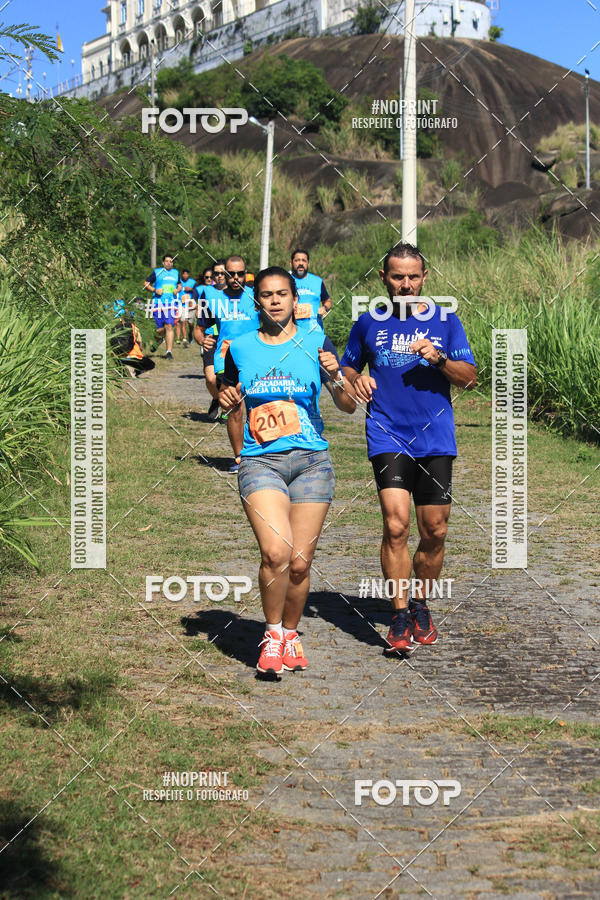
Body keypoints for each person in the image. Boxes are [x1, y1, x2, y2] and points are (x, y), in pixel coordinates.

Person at [219, 266, 357, 675]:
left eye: (283, 293)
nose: (275, 300)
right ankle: (272, 632)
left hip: (312, 463)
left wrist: (335, 376)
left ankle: (291, 635)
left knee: (299, 561)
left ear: (297, 299)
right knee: (275, 552)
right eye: (267, 294)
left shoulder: (316, 341)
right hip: (261, 462)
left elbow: (348, 405)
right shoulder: (240, 348)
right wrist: (239, 449)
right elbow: (231, 403)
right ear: (256, 301)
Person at [341, 242, 477, 653]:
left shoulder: (446, 321)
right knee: (396, 524)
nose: (405, 285)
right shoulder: (367, 323)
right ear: (384, 278)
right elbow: (348, 364)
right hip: (387, 433)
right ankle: (399, 615)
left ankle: (420, 604)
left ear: (424, 278)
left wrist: (437, 359)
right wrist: (355, 378)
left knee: (434, 530)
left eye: (412, 277)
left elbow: (469, 377)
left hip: (435, 437)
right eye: (397, 277)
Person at [196, 255, 258, 472]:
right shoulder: (211, 297)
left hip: (255, 358)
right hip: (226, 360)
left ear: (245, 273)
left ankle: (261, 453)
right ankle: (240, 457)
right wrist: (202, 340)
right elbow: (199, 328)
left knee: (257, 407)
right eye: (231, 273)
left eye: (240, 273)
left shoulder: (256, 296)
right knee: (235, 409)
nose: (236, 277)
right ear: (224, 274)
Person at [143, 254, 182, 360]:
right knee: (160, 329)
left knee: (169, 326)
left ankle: (168, 352)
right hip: (158, 303)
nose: (169, 263)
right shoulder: (157, 272)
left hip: (171, 304)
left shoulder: (176, 273)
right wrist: (155, 290)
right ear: (163, 263)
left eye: (171, 261)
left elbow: (179, 285)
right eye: (167, 261)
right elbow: (146, 283)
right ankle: (159, 340)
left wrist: (177, 290)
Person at [290, 248, 332, 334]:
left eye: (304, 260)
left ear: (308, 263)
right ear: (291, 263)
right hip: (291, 332)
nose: (301, 263)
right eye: (297, 260)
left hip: (315, 331)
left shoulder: (317, 281)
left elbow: (327, 301)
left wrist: (325, 308)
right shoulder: (285, 280)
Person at [176, 268, 197, 347]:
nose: (185, 275)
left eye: (186, 274)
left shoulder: (193, 282)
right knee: (183, 321)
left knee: (191, 323)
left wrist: (191, 289)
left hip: (191, 304)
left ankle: (190, 334)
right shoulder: (178, 282)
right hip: (182, 305)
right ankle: (184, 339)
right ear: (182, 275)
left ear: (188, 275)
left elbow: (196, 291)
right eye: (183, 274)